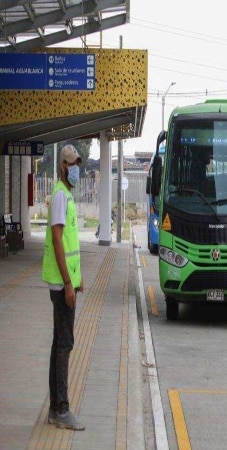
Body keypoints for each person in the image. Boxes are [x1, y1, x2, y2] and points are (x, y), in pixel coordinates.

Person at [42, 144, 85, 431]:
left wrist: (76, 280)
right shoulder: (60, 195)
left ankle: (56, 408)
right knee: (64, 345)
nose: (76, 168)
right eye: (71, 164)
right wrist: (68, 283)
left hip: (65, 282)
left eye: (78, 163)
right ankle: (61, 410)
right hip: (61, 285)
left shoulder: (65, 195)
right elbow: (58, 241)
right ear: (63, 166)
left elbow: (68, 244)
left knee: (60, 343)